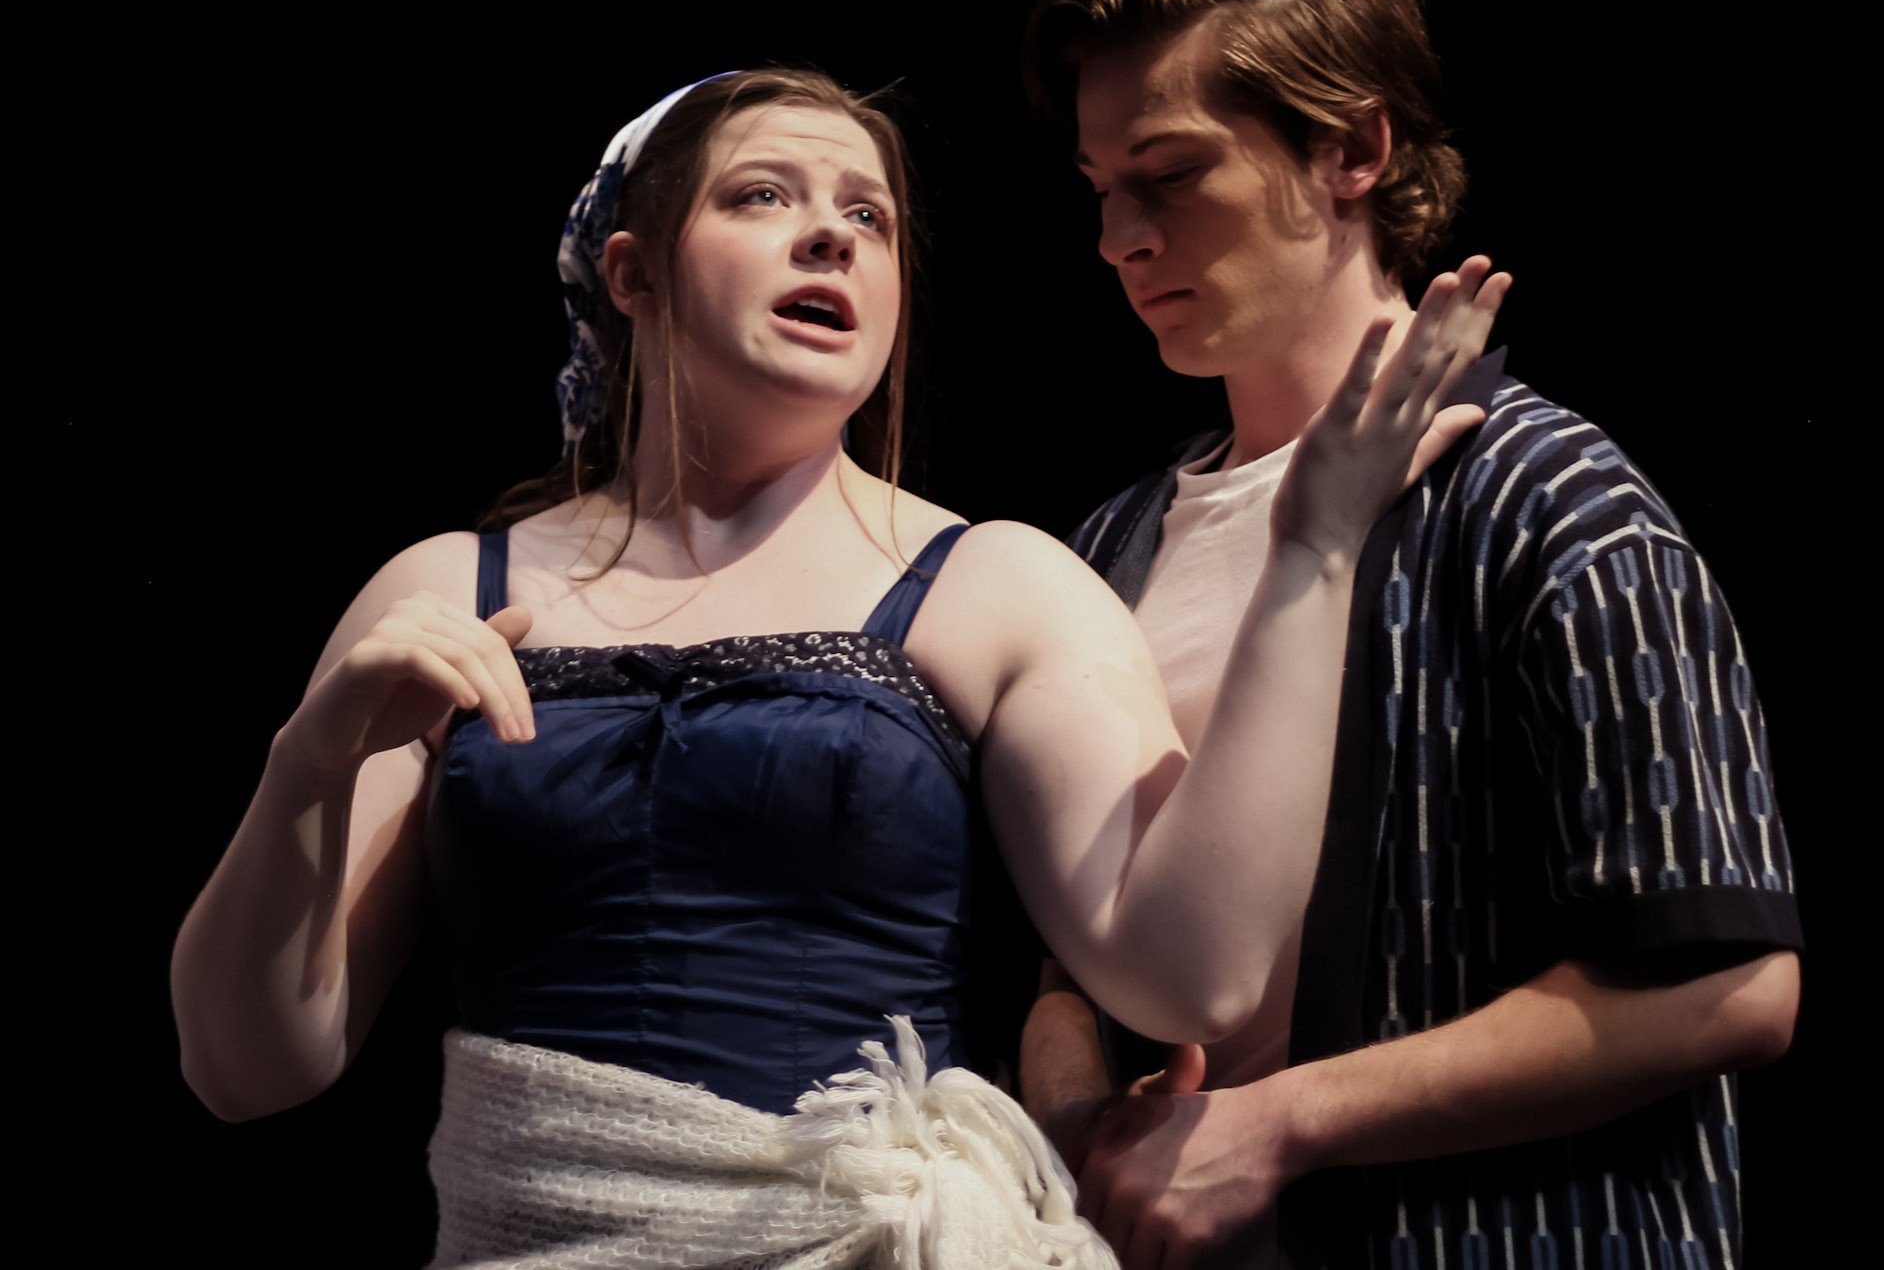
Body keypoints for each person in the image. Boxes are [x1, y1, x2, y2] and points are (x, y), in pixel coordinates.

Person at [170, 66, 1505, 1267]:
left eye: (869, 216)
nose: (832, 235)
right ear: (632, 273)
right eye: (764, 196)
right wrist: (310, 761)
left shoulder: (996, 584)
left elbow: (1192, 972)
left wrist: (1314, 550)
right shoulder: (446, 591)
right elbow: (244, 1066)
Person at [1016, 0, 1803, 1270]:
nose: (1118, 236)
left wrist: (1278, 1124)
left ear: (1354, 150)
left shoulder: (1552, 507)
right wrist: (1079, 1116)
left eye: (1171, 171)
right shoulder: (1107, 547)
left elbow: (1727, 985)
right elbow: (1065, 961)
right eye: (1098, 187)